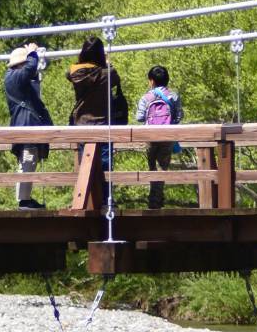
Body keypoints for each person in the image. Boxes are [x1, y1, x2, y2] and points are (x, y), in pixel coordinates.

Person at [68, 36, 127, 201]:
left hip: (81, 125)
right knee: (105, 164)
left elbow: (69, 73)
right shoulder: (107, 74)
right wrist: (107, 63)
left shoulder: (75, 73)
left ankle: (87, 199)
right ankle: (106, 199)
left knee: (84, 165)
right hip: (103, 124)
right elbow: (115, 76)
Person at [4, 42, 53, 209]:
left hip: (24, 123)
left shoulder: (13, 78)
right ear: (21, 64)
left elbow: (31, 73)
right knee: (28, 160)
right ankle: (23, 200)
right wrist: (32, 54)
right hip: (26, 125)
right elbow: (31, 68)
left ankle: (24, 199)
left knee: (28, 162)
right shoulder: (15, 76)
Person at [135, 64, 182, 210]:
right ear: (167, 80)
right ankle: (157, 200)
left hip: (150, 137)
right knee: (163, 167)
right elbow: (179, 116)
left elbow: (139, 117)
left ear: (152, 81)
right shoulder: (173, 96)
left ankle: (154, 199)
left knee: (151, 167)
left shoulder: (146, 97)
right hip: (167, 136)